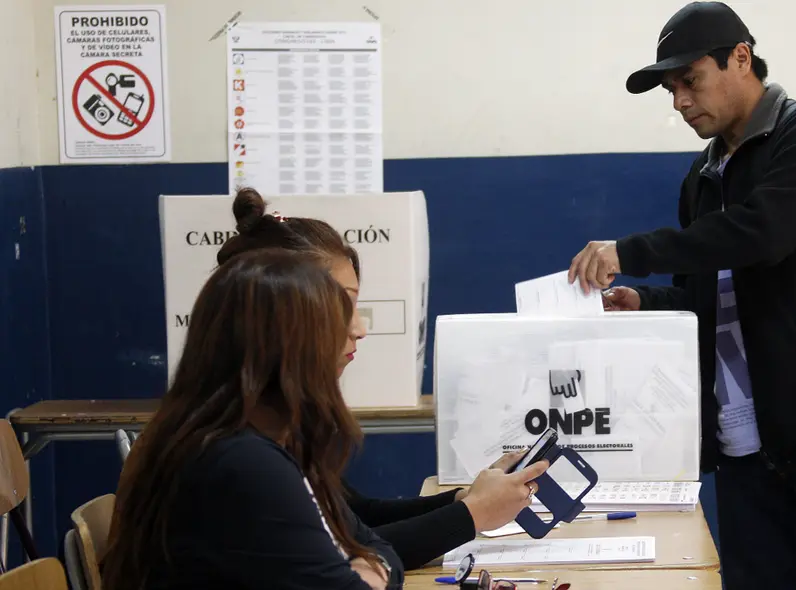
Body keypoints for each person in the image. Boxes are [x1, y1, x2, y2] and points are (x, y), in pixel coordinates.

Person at [567, 3, 796, 589]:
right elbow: (709, 295)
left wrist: (633, 250)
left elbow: (763, 233)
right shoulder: (701, 177)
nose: (678, 101)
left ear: (741, 59)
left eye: (690, 81)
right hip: (743, 440)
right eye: (670, 89)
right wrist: (646, 302)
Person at [214, 188, 549, 570]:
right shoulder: (243, 458)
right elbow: (348, 558)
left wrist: (465, 502)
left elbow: (356, 519)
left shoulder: (271, 426)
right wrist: (472, 515)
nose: (359, 329)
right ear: (279, 317)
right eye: (341, 307)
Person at [102, 248, 405, 589]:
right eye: (333, 325)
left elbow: (373, 545)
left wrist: (371, 566)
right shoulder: (243, 461)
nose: (358, 331)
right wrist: (372, 571)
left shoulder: (228, 438)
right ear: (290, 349)